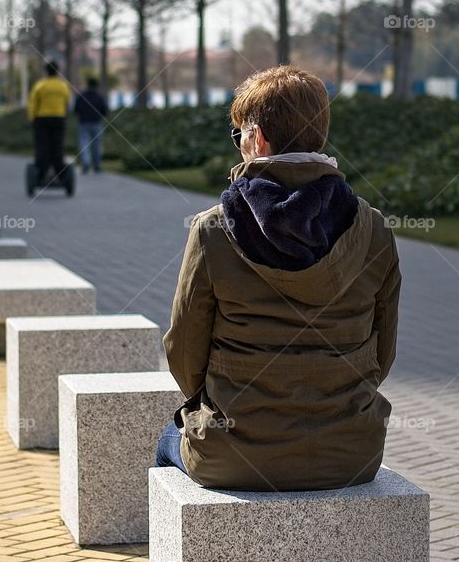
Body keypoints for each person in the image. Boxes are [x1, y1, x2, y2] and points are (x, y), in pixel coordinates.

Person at [156, 65, 402, 491]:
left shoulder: (213, 229)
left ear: (257, 138)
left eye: (238, 135)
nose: (238, 145)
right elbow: (384, 349)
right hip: (350, 452)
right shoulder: (374, 228)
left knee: (167, 441)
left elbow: (184, 350)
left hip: (234, 451)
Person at [27, 62, 72, 182]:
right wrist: (65, 116)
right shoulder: (63, 86)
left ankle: (41, 172)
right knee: (58, 145)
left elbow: (33, 103)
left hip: (42, 118)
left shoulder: (40, 86)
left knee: (42, 145)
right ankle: (60, 172)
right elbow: (68, 103)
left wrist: (31, 118)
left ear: (46, 71)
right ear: (57, 71)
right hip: (59, 118)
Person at [73, 77, 109, 173]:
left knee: (84, 143)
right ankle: (97, 165)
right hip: (97, 123)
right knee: (97, 145)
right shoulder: (99, 97)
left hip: (83, 123)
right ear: (96, 85)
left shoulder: (81, 96)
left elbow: (76, 110)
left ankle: (86, 162)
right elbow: (105, 110)